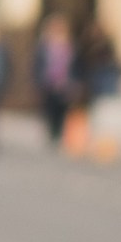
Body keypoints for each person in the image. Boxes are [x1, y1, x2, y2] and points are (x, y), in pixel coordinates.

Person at [34, 12, 75, 145]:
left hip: (65, 85)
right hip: (48, 84)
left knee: (63, 111)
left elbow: (75, 65)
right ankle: (52, 135)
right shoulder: (44, 45)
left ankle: (60, 135)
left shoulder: (69, 45)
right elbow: (37, 65)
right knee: (50, 111)